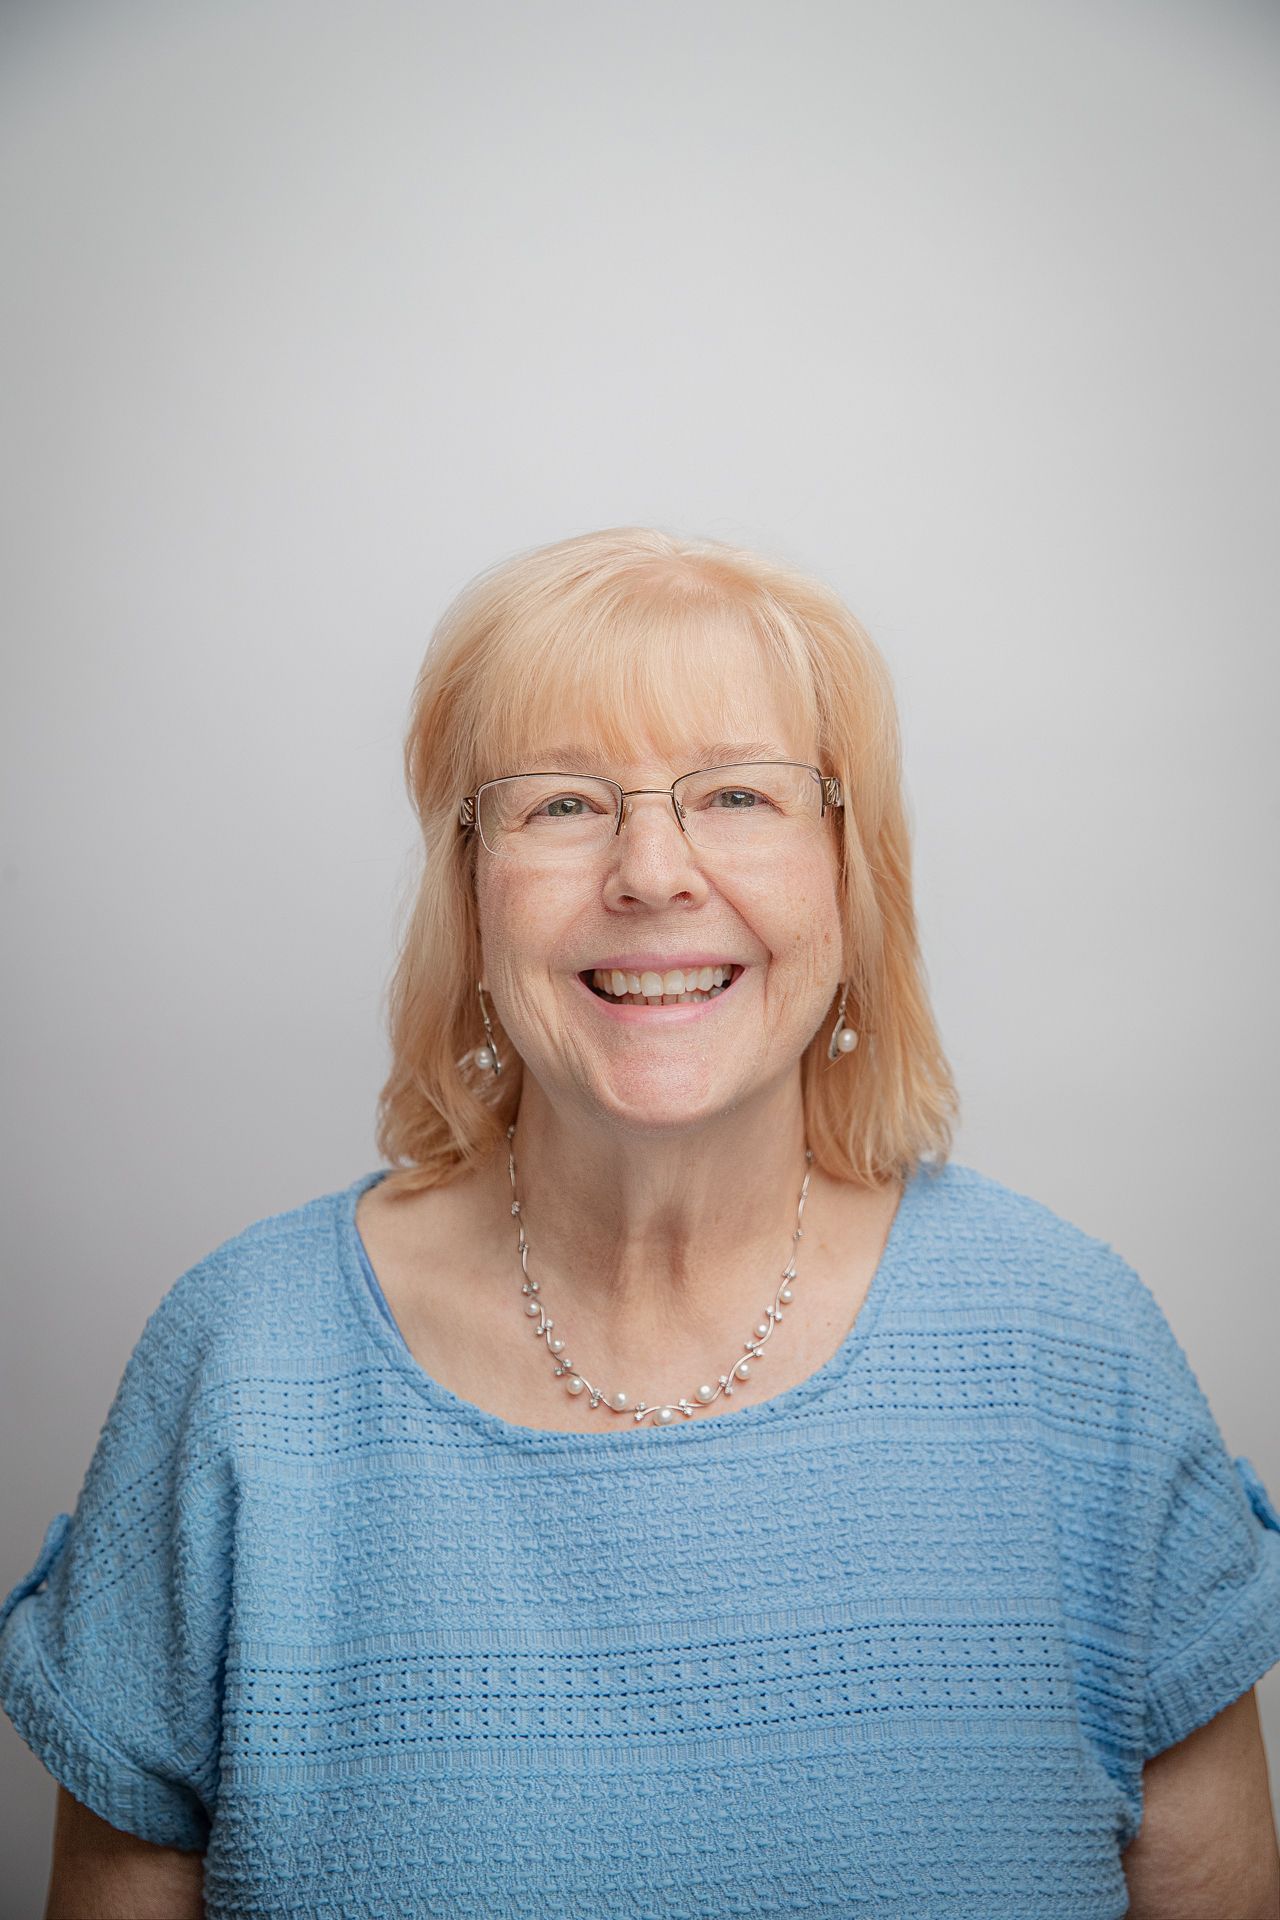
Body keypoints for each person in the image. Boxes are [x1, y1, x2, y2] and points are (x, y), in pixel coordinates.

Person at [3, 526, 1278, 1920]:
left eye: (737, 795)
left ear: (853, 884)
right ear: (470, 896)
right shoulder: (242, 1369)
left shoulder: (1072, 1352)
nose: (654, 873)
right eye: (562, 805)